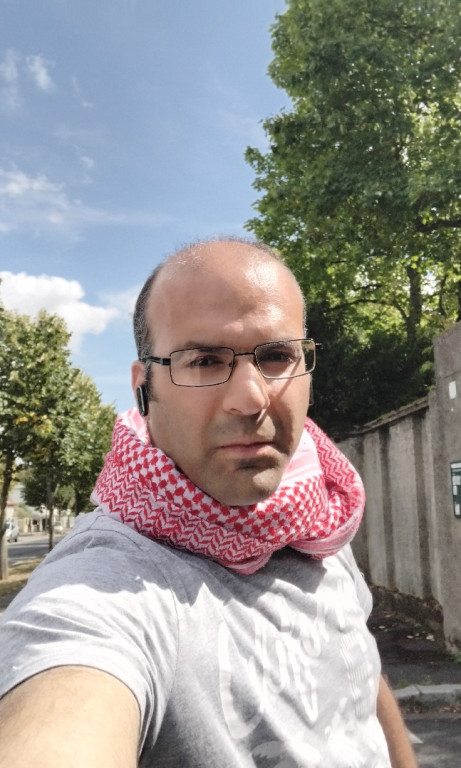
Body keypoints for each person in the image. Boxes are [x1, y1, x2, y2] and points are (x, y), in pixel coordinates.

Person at [0, 239, 416, 767]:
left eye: (277, 356)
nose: (251, 398)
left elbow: (358, 673)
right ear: (144, 389)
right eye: (202, 360)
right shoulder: (101, 586)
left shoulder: (316, 518)